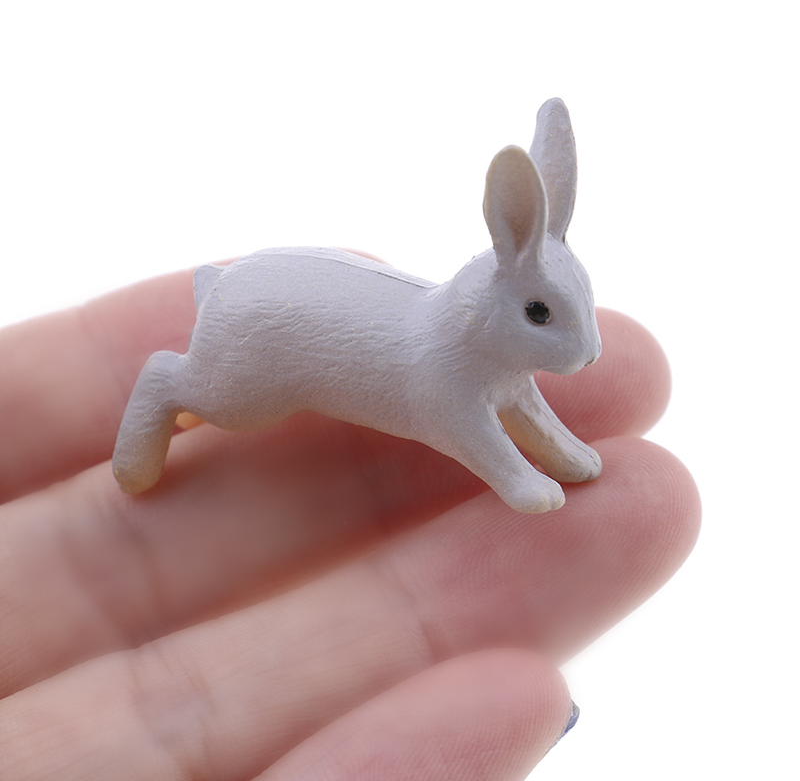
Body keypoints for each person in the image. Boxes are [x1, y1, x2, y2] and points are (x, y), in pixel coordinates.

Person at [0, 265, 700, 780]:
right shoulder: (444, 362)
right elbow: (459, 419)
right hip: (258, 324)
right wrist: (517, 477)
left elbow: (513, 397)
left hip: (266, 295)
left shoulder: (490, 353)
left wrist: (565, 454)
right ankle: (169, 385)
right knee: (237, 404)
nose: (586, 351)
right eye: (543, 317)